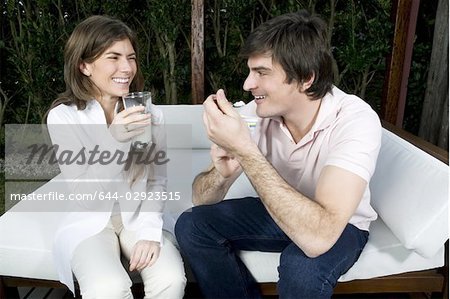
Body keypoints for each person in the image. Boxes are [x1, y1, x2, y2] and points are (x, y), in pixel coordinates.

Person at [175, 10, 381, 298]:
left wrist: (247, 152)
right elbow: (201, 199)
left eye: (261, 72)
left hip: (337, 225)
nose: (248, 84)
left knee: (301, 268)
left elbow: (318, 237)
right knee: (192, 224)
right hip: (280, 212)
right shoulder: (255, 115)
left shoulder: (354, 120)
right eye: (250, 71)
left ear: (306, 78)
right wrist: (220, 175)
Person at [46, 15, 186, 298]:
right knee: (106, 287)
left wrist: (149, 232)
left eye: (131, 57)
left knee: (170, 278)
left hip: (138, 215)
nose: (127, 68)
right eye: (114, 57)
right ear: (84, 65)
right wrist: (115, 140)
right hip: (90, 220)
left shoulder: (150, 114)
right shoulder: (63, 117)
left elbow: (156, 183)